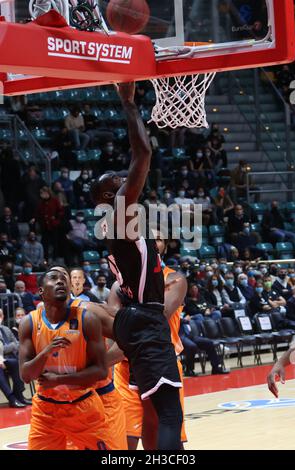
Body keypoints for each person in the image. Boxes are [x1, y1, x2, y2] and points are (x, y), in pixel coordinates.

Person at [90, 82, 183, 450]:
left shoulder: (117, 226)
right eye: (121, 181)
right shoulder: (118, 214)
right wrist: (129, 103)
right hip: (144, 318)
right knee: (170, 414)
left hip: (134, 317)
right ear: (111, 196)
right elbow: (142, 152)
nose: (129, 181)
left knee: (151, 409)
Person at [18, 267, 111, 450]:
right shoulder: (29, 322)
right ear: (41, 291)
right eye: (54, 278)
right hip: (46, 411)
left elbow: (101, 371)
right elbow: (26, 375)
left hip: (84, 407)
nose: (61, 281)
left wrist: (59, 380)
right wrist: (45, 352)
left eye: (63, 279)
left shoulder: (88, 319)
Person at [113, 230, 188, 450]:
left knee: (169, 433)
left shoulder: (174, 279)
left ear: (164, 245)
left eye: (159, 239)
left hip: (162, 359)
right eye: (149, 238)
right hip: (126, 366)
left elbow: (153, 320)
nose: (154, 242)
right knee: (126, 439)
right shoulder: (119, 284)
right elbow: (112, 325)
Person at [0, 308, 31, 408]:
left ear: (2, 317)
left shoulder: (6, 329)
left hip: (9, 358)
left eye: (0, 316)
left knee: (19, 362)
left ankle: (19, 395)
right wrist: (11, 346)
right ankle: (12, 398)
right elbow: (13, 346)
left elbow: (18, 344)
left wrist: (12, 346)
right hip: (1, 359)